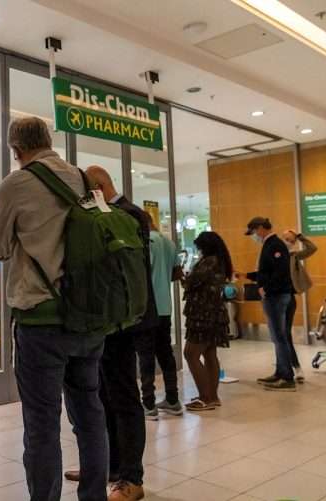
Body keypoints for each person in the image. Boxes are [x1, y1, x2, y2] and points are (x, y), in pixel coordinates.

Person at [0, 117, 108, 501]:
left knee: (41, 425)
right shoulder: (84, 180)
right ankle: (93, 495)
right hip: (88, 320)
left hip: (41, 322)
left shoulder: (17, 183)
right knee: (89, 414)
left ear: (16, 150)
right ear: (50, 141)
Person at [61, 166, 150, 501]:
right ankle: (106, 465)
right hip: (104, 321)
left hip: (125, 323)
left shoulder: (130, 215)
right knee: (102, 397)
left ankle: (132, 478)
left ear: (97, 188)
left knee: (125, 397)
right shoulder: (110, 215)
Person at [244, 217, 296, 392]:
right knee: (276, 337)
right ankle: (280, 372)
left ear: (260, 228)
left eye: (253, 232)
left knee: (279, 337)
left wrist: (266, 288)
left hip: (276, 295)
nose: (253, 236)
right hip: (274, 294)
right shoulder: (269, 244)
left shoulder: (275, 245)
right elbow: (265, 271)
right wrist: (249, 276)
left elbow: (281, 272)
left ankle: (287, 377)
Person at [136, 219, 182, 417]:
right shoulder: (169, 243)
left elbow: (139, 275)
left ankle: (148, 403)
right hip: (165, 307)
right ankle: (173, 399)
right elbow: (176, 273)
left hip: (148, 307)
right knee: (165, 354)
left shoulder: (146, 243)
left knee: (146, 356)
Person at [182, 231, 232, 411]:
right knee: (210, 354)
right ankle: (213, 396)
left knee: (190, 353)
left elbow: (191, 282)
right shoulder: (220, 261)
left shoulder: (209, 262)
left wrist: (184, 276)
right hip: (213, 313)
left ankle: (206, 397)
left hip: (202, 314)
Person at [281, 230, 317, 383]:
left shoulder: (294, 256)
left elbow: (312, 248)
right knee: (281, 336)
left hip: (289, 298)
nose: (288, 242)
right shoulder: (274, 254)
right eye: (286, 239)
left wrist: (300, 236)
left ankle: (295, 367)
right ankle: (285, 367)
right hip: (275, 298)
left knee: (285, 334)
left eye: (291, 240)